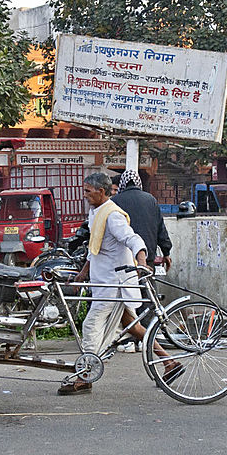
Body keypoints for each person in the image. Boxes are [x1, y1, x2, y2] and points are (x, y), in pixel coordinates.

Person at [58, 173, 182, 395]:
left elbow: (133, 239)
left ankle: (85, 376)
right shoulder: (96, 212)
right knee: (134, 327)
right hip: (105, 280)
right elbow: (94, 248)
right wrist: (83, 273)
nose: (84, 195)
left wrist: (142, 262)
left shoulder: (112, 214)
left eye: (88, 191)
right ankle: (169, 362)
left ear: (102, 192)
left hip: (113, 284)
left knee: (90, 325)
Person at [112, 169, 174, 352]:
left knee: (126, 298)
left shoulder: (115, 202)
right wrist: (167, 251)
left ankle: (127, 340)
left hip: (124, 260)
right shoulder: (151, 200)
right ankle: (146, 339)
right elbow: (160, 228)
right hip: (147, 259)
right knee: (147, 298)